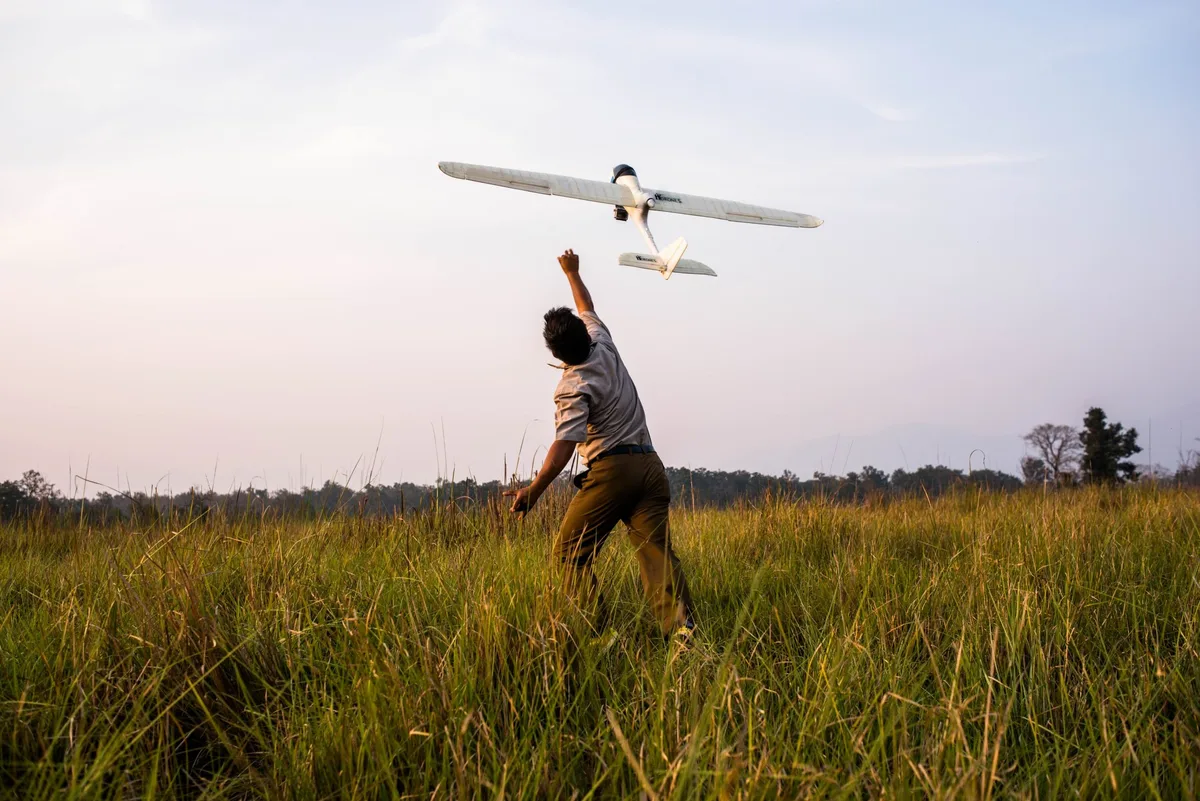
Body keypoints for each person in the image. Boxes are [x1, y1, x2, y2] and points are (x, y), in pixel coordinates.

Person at [504, 249, 695, 643]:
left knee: (569, 554)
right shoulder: (603, 343)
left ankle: (597, 635)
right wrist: (572, 272)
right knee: (656, 554)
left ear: (556, 355)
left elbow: (565, 446)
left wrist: (534, 490)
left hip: (613, 472)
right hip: (650, 465)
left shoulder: (572, 386)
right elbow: (586, 306)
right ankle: (682, 635)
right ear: (582, 332)